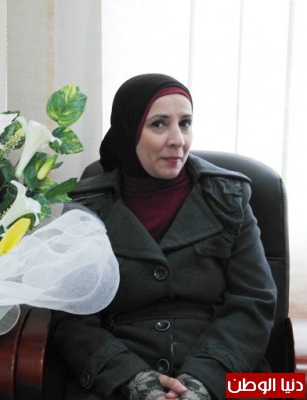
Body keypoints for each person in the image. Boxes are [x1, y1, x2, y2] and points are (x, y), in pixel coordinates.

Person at [51, 73, 277, 400]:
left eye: (185, 124)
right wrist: (136, 381)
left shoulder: (230, 196)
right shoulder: (86, 207)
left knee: (286, 390)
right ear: (129, 131)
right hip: (119, 378)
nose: (177, 140)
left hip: (226, 372)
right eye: (159, 124)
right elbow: (72, 320)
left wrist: (202, 382)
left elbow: (254, 302)